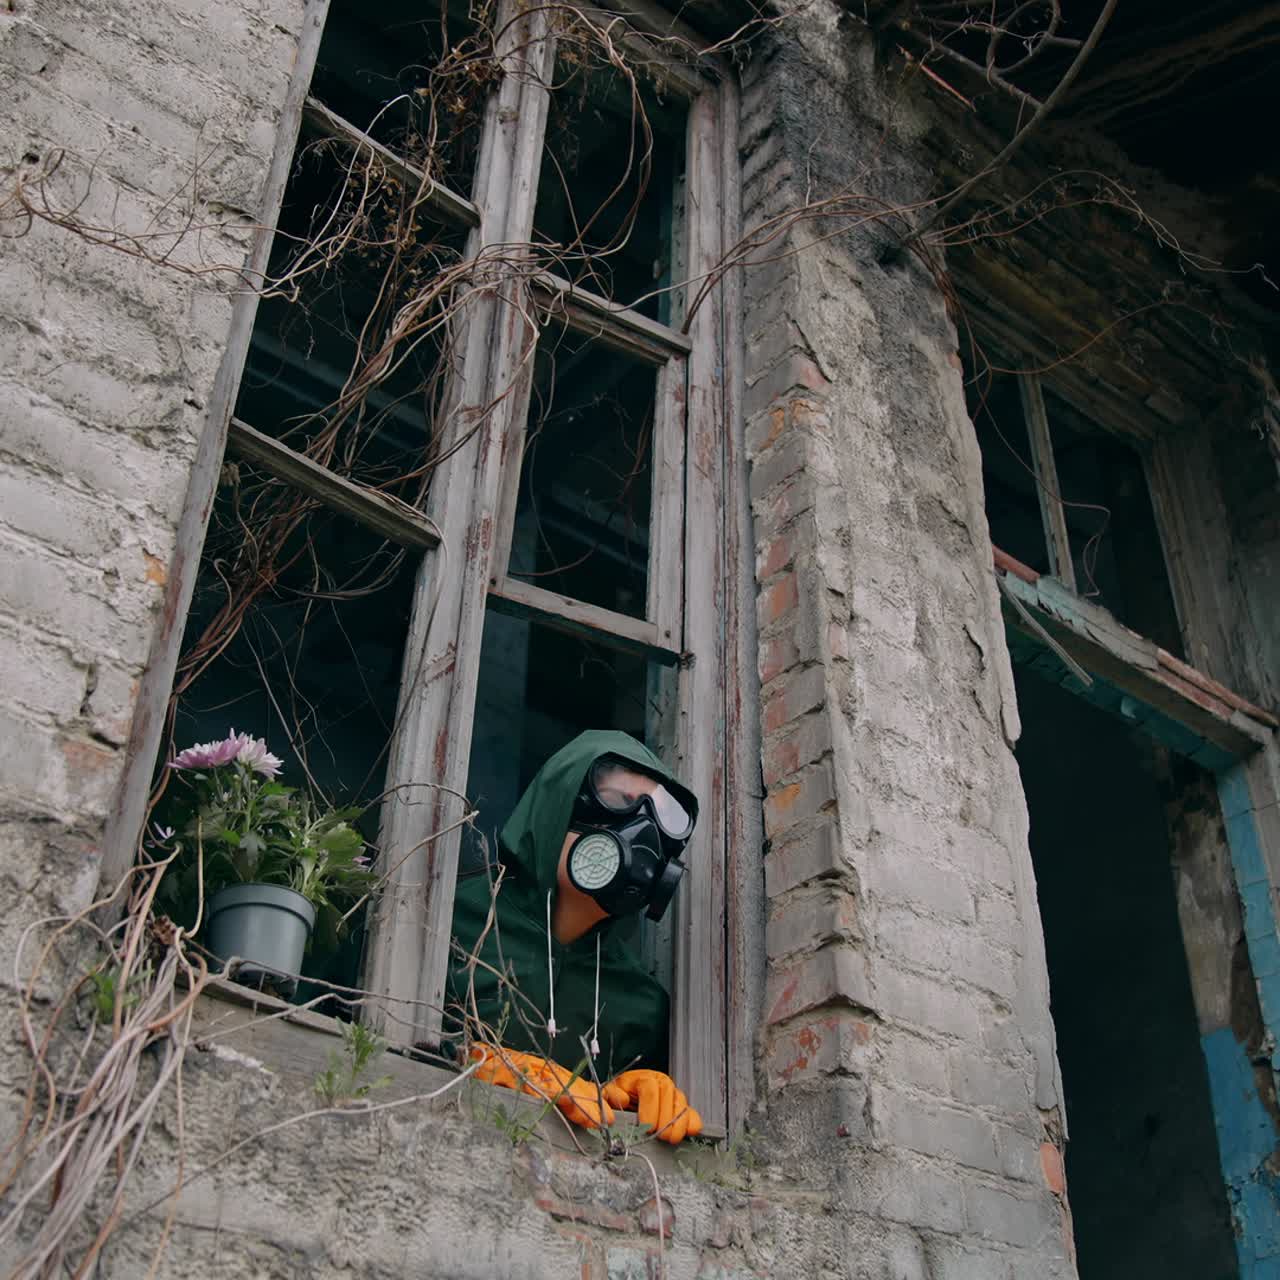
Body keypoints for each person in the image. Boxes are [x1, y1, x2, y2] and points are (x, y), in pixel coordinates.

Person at [446, 729, 703, 1144]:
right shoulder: (451, 920)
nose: (641, 837)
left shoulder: (641, 1006)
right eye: (619, 801)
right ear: (557, 807)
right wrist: (468, 1058)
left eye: (659, 822)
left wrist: (629, 1096)